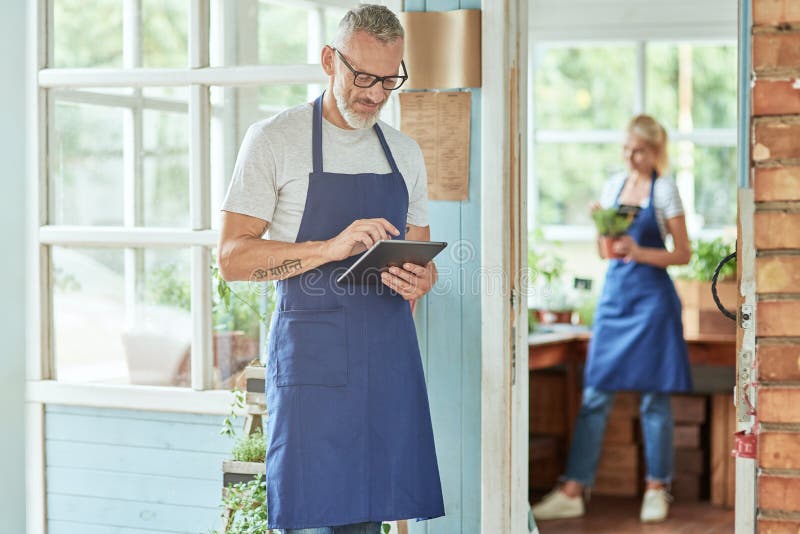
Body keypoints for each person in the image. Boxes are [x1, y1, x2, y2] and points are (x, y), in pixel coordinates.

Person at [217, 5, 445, 533]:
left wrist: (422, 279)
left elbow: (417, 253)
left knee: (368, 520)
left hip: (386, 359)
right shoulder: (275, 139)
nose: (376, 94)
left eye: (390, 80)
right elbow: (232, 258)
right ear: (328, 60)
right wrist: (330, 248)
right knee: (314, 516)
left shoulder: (405, 153)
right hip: (314, 361)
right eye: (363, 76)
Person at [532, 115, 693, 524]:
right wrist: (601, 228)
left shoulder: (666, 190)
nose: (630, 157)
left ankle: (658, 487)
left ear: (655, 151)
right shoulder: (612, 187)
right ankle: (573, 489)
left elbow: (683, 254)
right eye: (626, 148)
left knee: (655, 397)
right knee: (595, 394)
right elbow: (607, 254)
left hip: (653, 303)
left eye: (638, 150)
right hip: (616, 301)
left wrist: (640, 252)